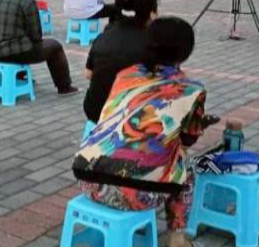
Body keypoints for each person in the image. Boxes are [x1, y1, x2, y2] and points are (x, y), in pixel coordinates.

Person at [73, 17, 209, 247]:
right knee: (183, 164)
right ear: (185, 52)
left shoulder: (126, 74)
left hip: (88, 181)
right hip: (134, 196)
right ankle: (178, 238)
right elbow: (187, 139)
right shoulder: (192, 89)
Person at [82, 0, 159, 122]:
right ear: (152, 14)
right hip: (132, 115)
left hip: (95, 110)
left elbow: (88, 74)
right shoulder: (154, 43)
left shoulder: (103, 36)